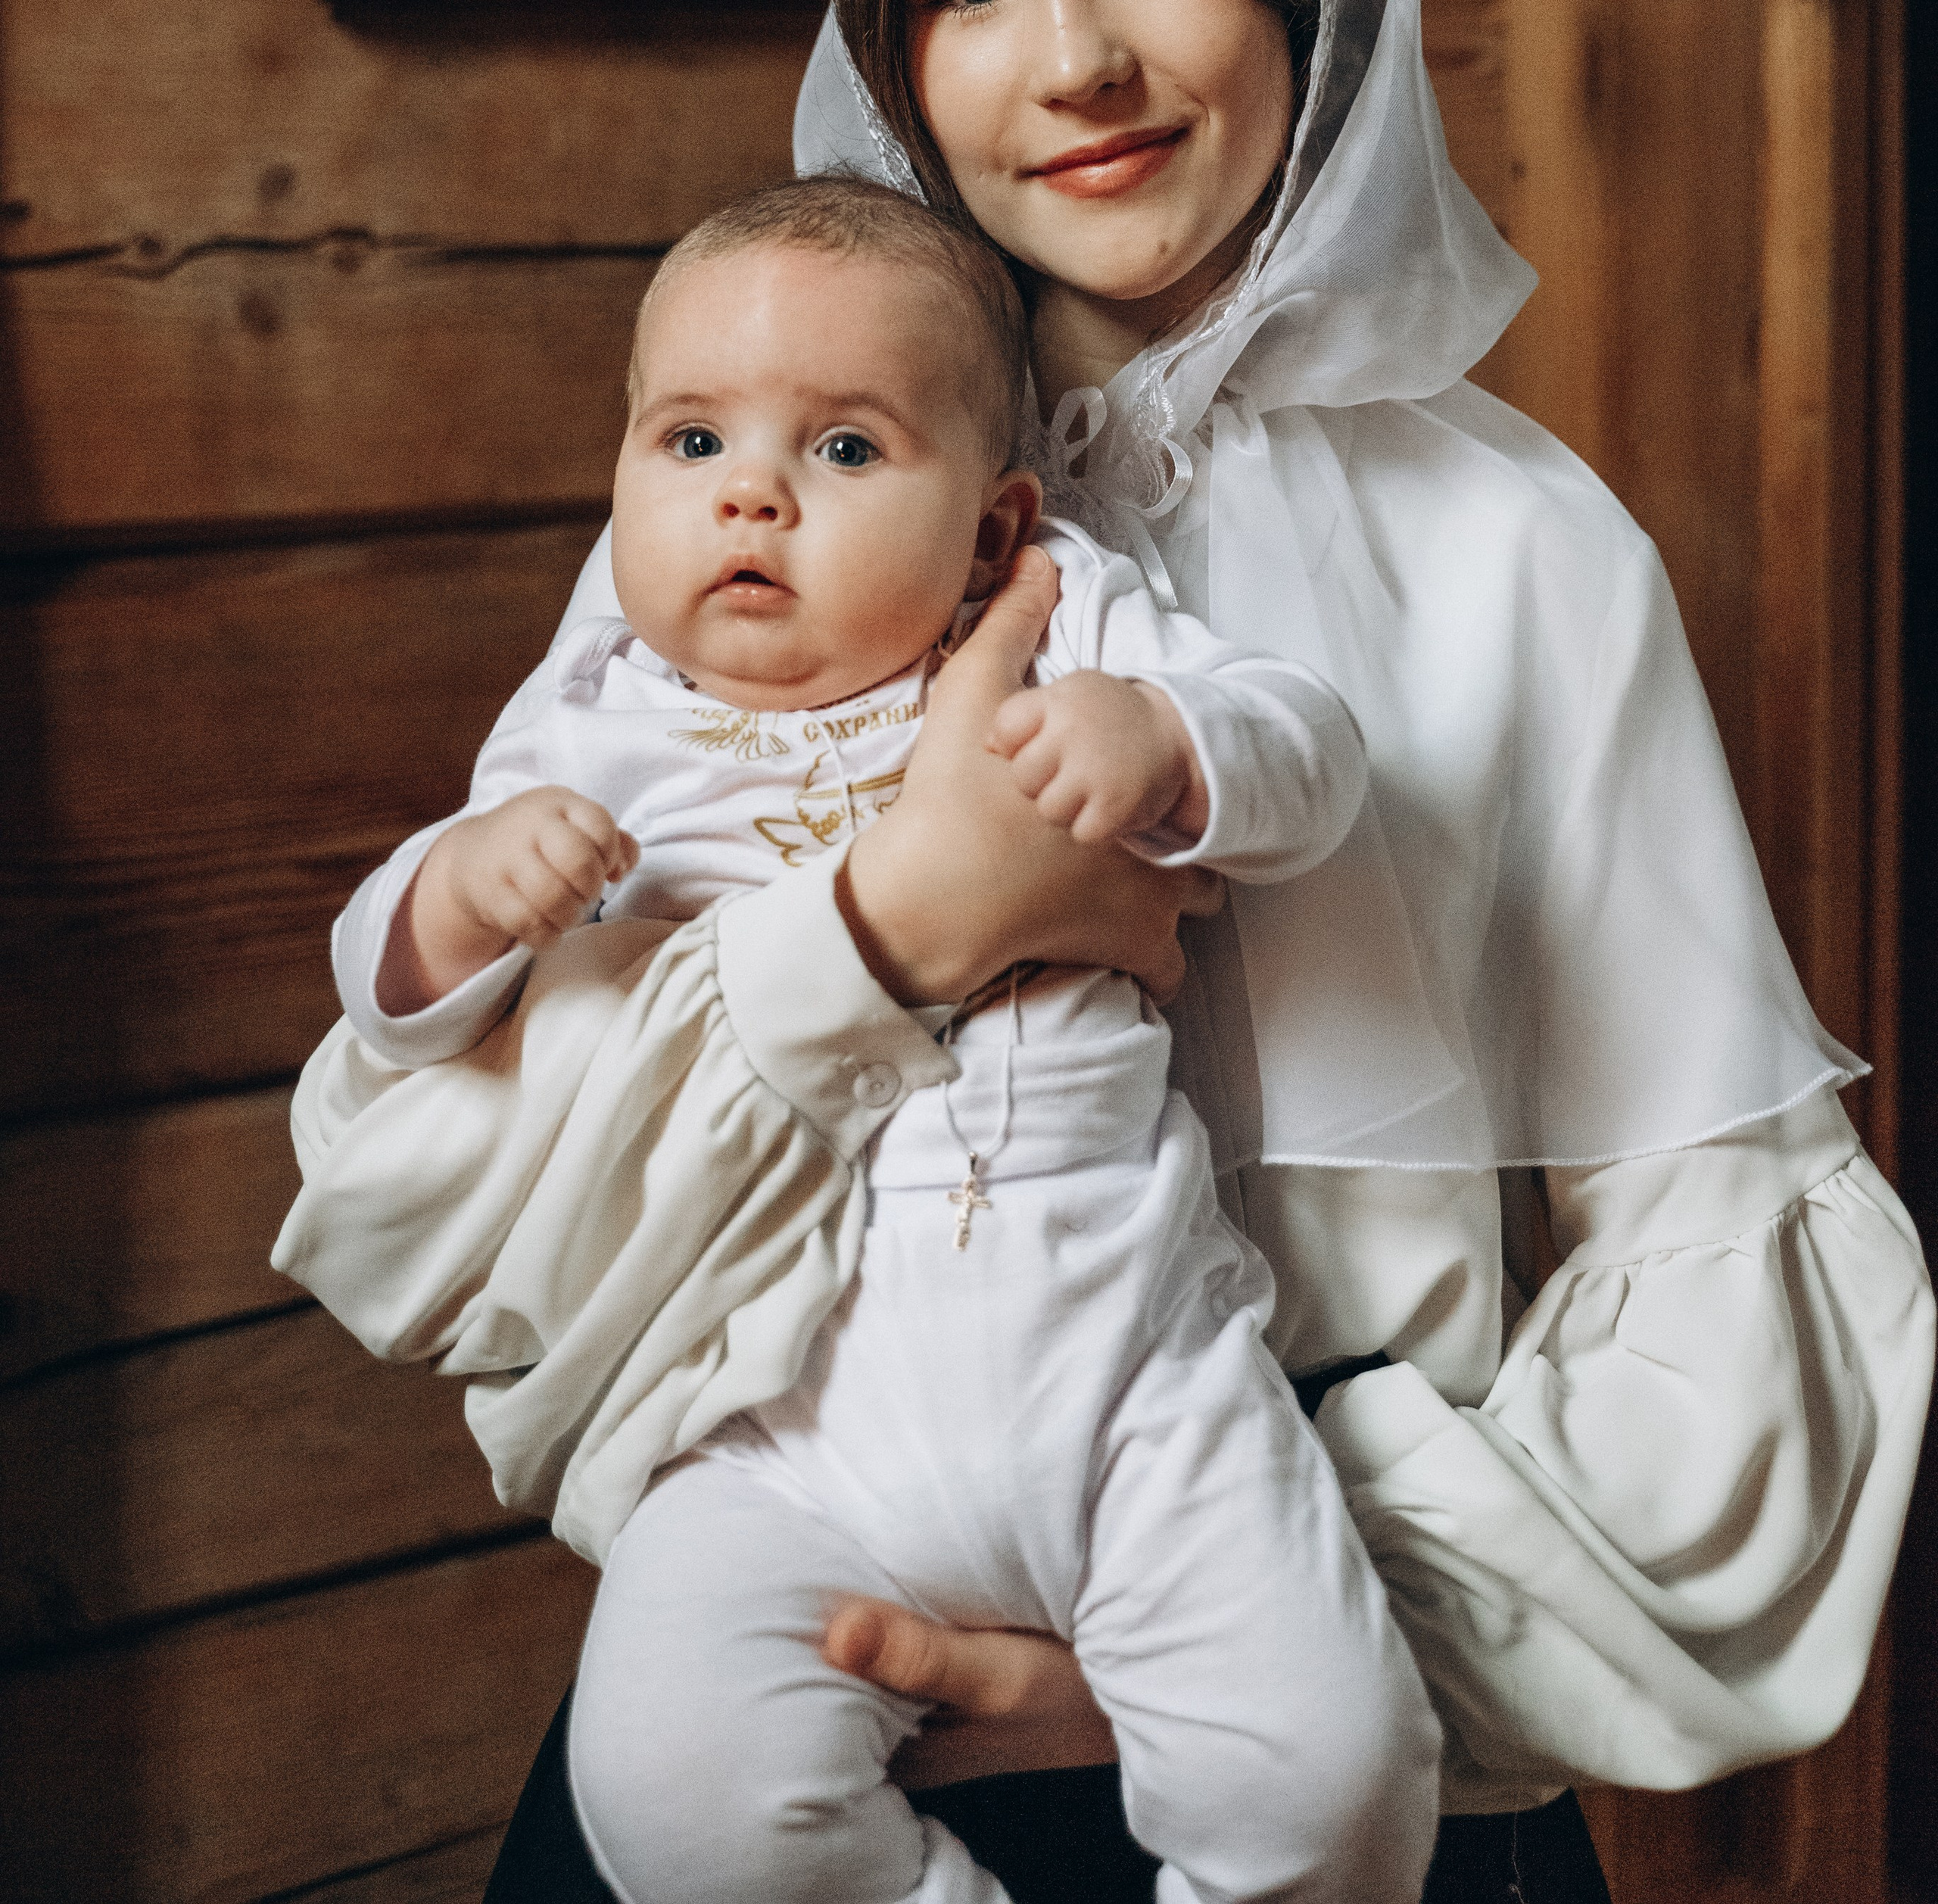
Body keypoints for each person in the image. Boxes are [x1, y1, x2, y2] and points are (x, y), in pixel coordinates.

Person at [322, 0, 1932, 1904]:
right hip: (785, 1670)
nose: (1069, 60)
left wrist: (1213, 1644)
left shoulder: (1527, 554)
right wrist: (883, 928)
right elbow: (471, 1229)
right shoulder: (774, 506)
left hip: (1335, 1696)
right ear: (890, 48)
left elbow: (1724, 1324)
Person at [277, 174, 1441, 1904]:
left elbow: (1313, 745)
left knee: (1334, 1768)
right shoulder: (599, 715)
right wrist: (460, 889)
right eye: (687, 442)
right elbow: (385, 990)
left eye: (840, 450)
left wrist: (1168, 740)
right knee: (670, 1789)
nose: (747, 489)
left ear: (988, 528)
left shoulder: (1056, 616)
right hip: (772, 1421)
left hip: (1128, 1374)